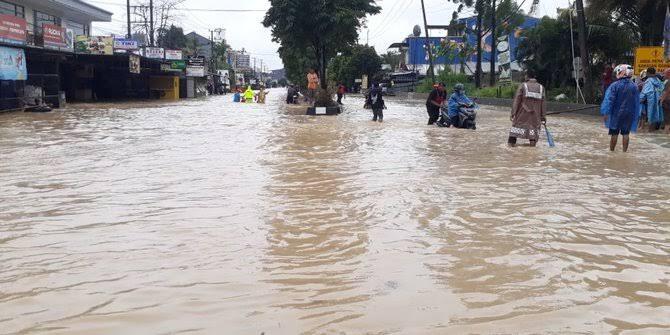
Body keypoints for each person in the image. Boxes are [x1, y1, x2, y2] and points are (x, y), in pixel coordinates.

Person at [600, 64, 639, 152]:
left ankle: (611, 151)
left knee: (614, 133)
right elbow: (636, 102)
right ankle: (624, 152)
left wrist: (606, 112)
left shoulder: (615, 85)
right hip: (629, 113)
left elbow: (609, 100)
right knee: (626, 133)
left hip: (616, 113)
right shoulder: (634, 86)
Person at [508, 71, 546, 147]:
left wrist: (513, 113)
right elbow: (543, 103)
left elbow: (517, 100)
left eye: (525, 75)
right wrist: (543, 116)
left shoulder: (523, 86)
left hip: (522, 114)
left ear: (527, 77)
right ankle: (532, 149)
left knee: (514, 132)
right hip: (535, 116)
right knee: (533, 134)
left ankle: (511, 146)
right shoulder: (541, 87)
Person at [640, 67, 664, 132]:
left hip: (651, 101)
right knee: (657, 116)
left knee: (651, 116)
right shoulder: (658, 80)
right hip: (659, 101)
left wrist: (640, 99)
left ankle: (649, 132)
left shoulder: (648, 81)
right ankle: (653, 132)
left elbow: (645, 92)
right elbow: (662, 89)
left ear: (648, 73)